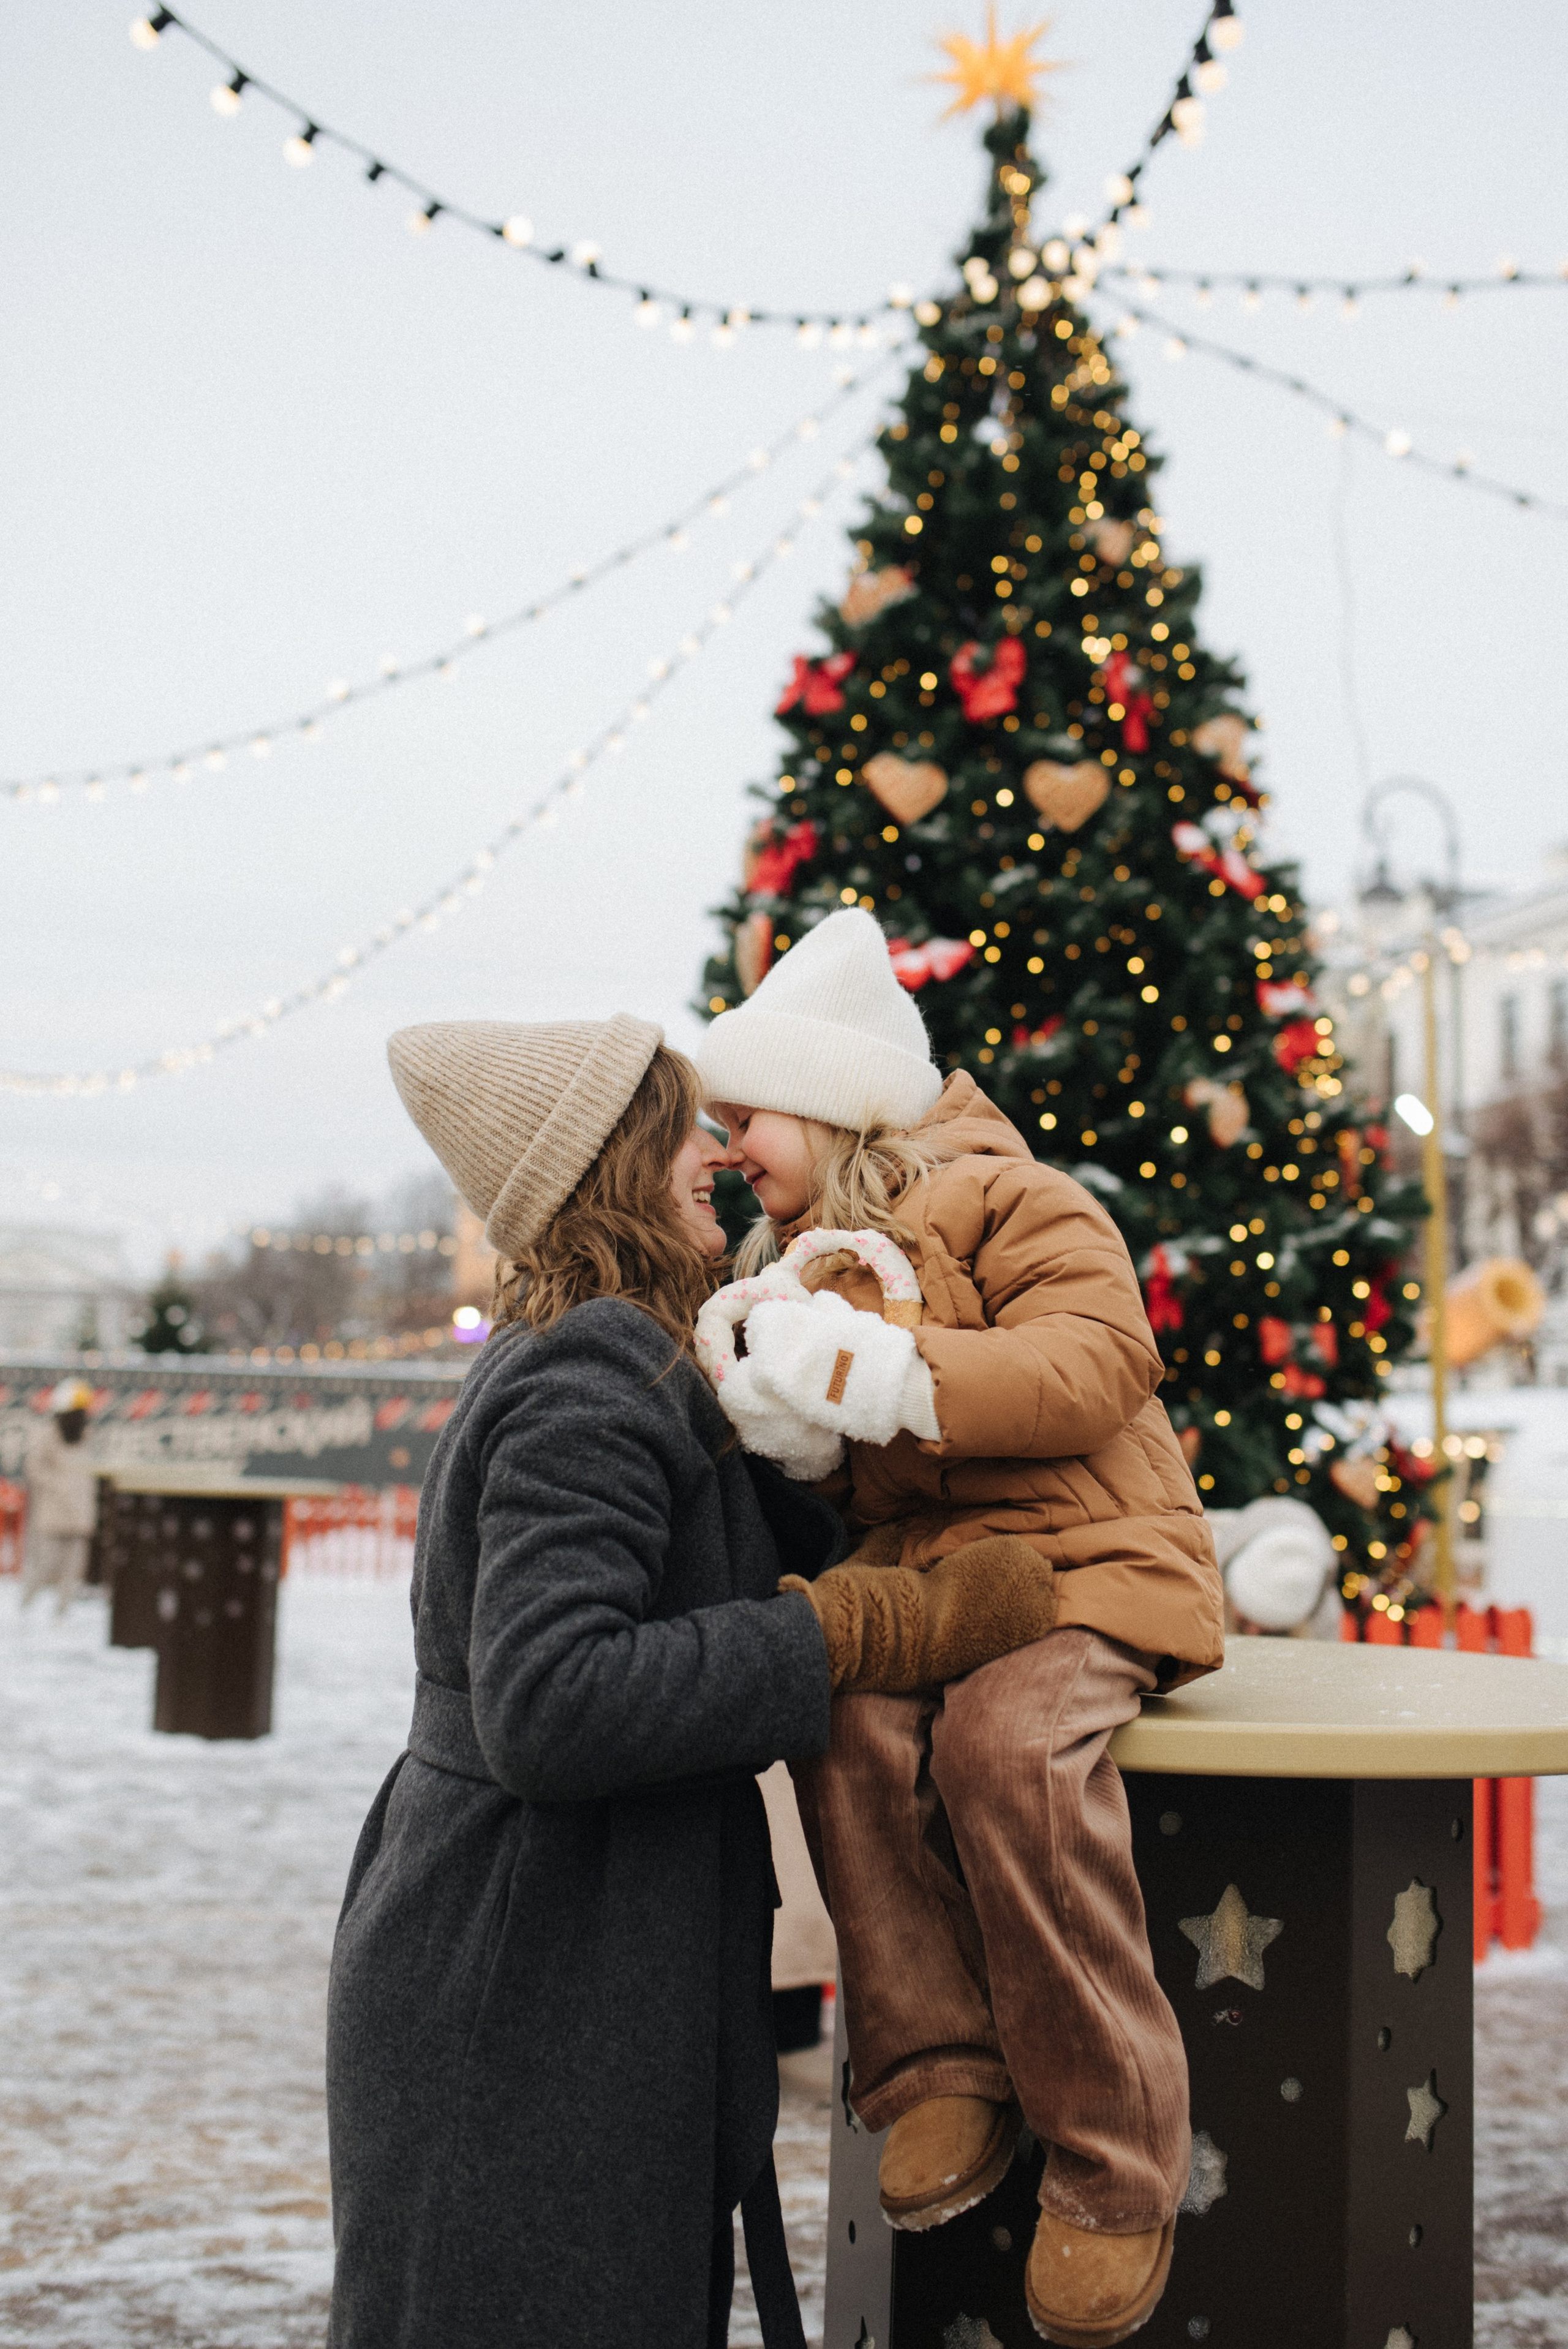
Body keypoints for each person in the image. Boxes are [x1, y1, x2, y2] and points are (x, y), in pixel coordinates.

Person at [324, 1013, 1056, 2349]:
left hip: (565, 1957)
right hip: (525, 1974)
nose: (711, 1150)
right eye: (677, 1126)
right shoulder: (586, 1376)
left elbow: (751, 1550)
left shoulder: (646, 1356)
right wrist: (857, 1632)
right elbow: (552, 1700)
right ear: (607, 1162)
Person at [695, 909, 1226, 2349]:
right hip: (941, 1574)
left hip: (1090, 1557)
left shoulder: (1011, 1195)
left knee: (1003, 1745)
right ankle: (934, 2065)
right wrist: (788, 1423)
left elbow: (1097, 1360)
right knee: (848, 1717)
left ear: (831, 1094)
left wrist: (891, 1367)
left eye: (744, 1111)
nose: (726, 1139)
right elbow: (863, 1467)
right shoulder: (795, 1258)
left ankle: (1114, 2161)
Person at [22, 1378, 99, 1615]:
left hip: (79, 1516)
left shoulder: (86, 1438)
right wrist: (59, 1486)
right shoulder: (48, 1437)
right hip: (53, 1516)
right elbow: (34, 1468)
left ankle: (62, 1615)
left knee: (73, 1570)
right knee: (45, 1567)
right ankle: (24, 1610)